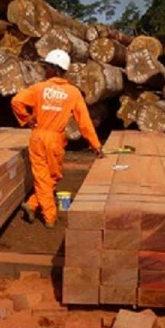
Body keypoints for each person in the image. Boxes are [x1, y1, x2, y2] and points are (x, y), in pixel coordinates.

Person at [11, 49, 104, 229]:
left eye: (46, 67)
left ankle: (32, 204)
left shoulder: (39, 88)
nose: (45, 70)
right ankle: (50, 216)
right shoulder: (73, 93)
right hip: (55, 139)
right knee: (52, 175)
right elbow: (84, 121)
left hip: (38, 136)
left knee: (45, 177)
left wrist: (27, 118)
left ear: (54, 69)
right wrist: (95, 144)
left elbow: (16, 101)